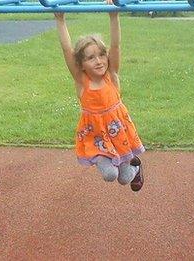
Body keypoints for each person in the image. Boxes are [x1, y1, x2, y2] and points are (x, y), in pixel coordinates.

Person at [54, 6, 145, 192]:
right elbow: (67, 51)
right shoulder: (81, 82)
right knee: (110, 175)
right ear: (81, 64)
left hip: (119, 131)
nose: (99, 61)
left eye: (101, 55)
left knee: (123, 178)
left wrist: (114, 16)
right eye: (91, 58)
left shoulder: (111, 76)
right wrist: (61, 21)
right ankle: (105, 158)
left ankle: (135, 167)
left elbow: (116, 46)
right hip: (96, 136)